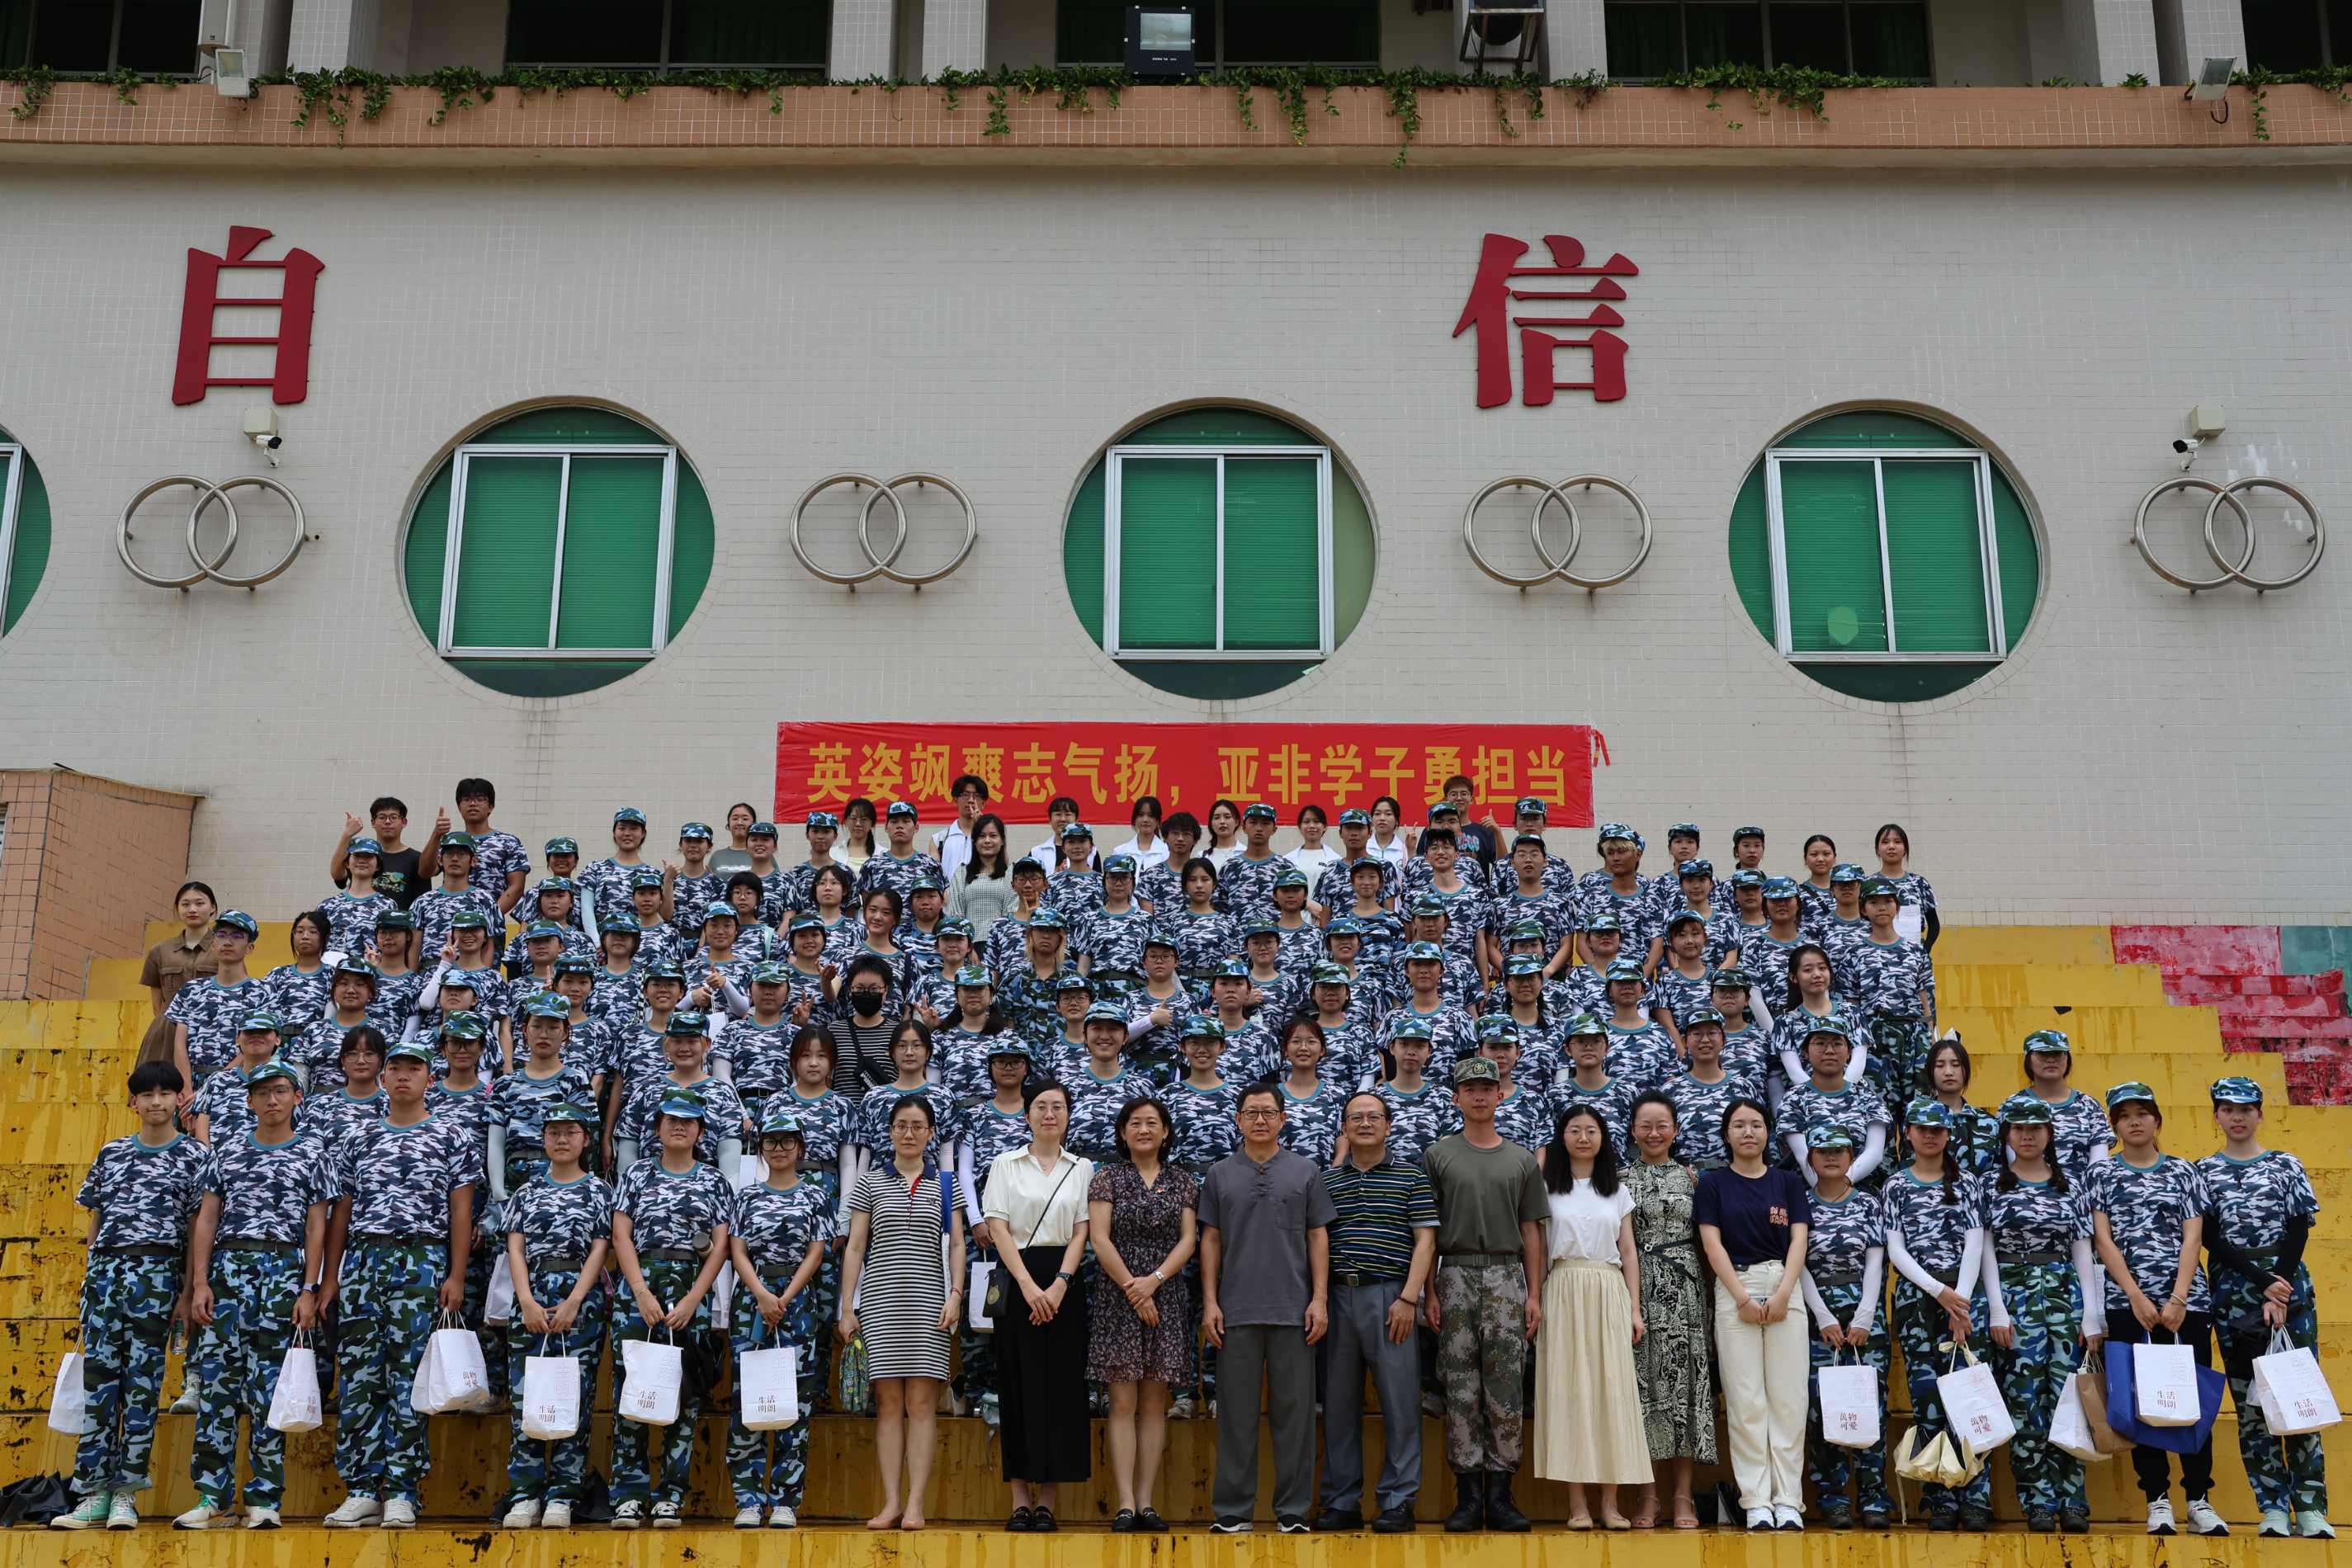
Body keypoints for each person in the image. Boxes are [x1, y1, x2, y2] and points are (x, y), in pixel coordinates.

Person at [321, 1039, 479, 1530]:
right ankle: (362, 1489)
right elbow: (341, 1214)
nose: (404, 1076)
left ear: (430, 1079)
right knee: (361, 1379)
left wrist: (456, 1275)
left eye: (415, 1068)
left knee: (410, 1379)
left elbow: (461, 1212)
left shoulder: (452, 1136)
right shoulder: (358, 1137)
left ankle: (402, 1491)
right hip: (364, 1261)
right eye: (397, 1068)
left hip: (421, 1261)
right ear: (384, 1078)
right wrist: (331, 1278)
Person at [167, 1062, 328, 1533]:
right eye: (262, 1093)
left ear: (297, 1097)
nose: (272, 1100)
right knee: (217, 1389)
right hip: (229, 1274)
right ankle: (210, 1496)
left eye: (281, 1091)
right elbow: (207, 1219)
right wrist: (201, 1282)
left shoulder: (313, 1153)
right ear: (249, 1101)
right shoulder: (228, 1151)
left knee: (269, 1391)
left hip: (283, 1274)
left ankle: (264, 1498)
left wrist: (309, 1288)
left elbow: (316, 1226)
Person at [50, 1061, 206, 1533]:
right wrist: (90, 1277)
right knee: (99, 1387)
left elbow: (196, 1229)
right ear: (133, 1102)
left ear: (179, 1100)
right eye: (147, 1094)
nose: (157, 1102)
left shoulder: (194, 1157)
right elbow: (96, 1218)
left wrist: (186, 1292)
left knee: (142, 1387)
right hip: (107, 1276)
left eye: (166, 1093)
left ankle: (125, 1494)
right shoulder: (113, 1152)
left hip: (158, 1277)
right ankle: (92, 1492)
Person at [2088, 1080, 2228, 1537]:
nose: (2134, 1122)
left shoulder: (2183, 1171)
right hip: (2127, 1304)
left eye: (2142, 1113)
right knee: (2142, 1400)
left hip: (2187, 1304)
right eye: (2124, 1115)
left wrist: (2178, 1298)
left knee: (2191, 1398)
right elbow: (2103, 1239)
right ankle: (2158, 1499)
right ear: (2115, 1125)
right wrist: (2134, 1295)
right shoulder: (2102, 1174)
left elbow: (2193, 1236)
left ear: (2157, 1120)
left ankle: (2200, 1499)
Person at [1198, 1081, 1335, 1534]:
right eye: (1251, 1113)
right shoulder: (1219, 1174)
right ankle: (1233, 1509)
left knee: (1294, 1417)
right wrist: (1211, 1302)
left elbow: (1318, 1236)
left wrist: (1319, 1298)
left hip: (1294, 1311)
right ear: (1238, 1120)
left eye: (1268, 1113)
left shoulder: (1306, 1171)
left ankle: (1293, 1509)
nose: (1260, 1120)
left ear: (1283, 1119)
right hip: (1235, 1311)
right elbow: (1210, 1240)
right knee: (1235, 1416)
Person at [2199, 1075, 2331, 1537]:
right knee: (2250, 1403)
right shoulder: (2204, 1171)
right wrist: (2263, 1284)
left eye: (2245, 1109)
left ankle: (2311, 1506)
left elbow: (2299, 1226)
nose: (2237, 1117)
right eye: (2228, 1109)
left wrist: (2281, 1286)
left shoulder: (2285, 1164)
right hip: (2234, 1291)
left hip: (2289, 1286)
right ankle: (2272, 1505)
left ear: (2259, 1114)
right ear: (2216, 1116)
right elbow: (2209, 1237)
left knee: (2297, 1393)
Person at [1420, 1056, 1548, 1533]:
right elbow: (1427, 1231)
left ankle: (1501, 1491)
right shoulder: (1438, 1156)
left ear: (1499, 1095)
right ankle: (1468, 1495)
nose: (1479, 1095)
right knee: (1459, 1385)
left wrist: (1534, 1294)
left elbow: (1531, 1230)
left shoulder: (1520, 1159)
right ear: (1456, 1097)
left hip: (1505, 1275)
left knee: (1506, 1385)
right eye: (1470, 1089)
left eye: (1486, 1088)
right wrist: (1430, 1291)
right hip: (1455, 1273)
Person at [1977, 1093, 2099, 1535]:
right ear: (2007, 1135)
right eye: (2019, 1129)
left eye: (2036, 1129)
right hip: (2014, 1296)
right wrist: (1996, 1308)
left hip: (2064, 1296)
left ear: (2049, 1134)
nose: (2027, 1136)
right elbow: (1985, 1251)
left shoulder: (2071, 1186)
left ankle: (2073, 1499)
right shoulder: (1990, 1184)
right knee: (2024, 1400)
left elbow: (2083, 1252)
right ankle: (2038, 1500)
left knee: (2069, 1399)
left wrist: (2092, 1315)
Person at [1314, 1089, 1436, 1533]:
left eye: (1373, 1117)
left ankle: (1399, 1501)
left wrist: (1409, 1298)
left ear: (1388, 1126)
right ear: (1344, 1128)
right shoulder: (1326, 1181)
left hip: (1391, 1299)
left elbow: (1426, 1241)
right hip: (1339, 1298)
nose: (1365, 1124)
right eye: (1356, 1118)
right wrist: (1321, 1299)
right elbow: (1318, 1242)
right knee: (1339, 1404)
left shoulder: (1411, 1176)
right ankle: (1341, 1501)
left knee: (1401, 1404)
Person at [839, 1094, 962, 1530]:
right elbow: (856, 1247)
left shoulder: (947, 1184)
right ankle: (891, 1502)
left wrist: (956, 1295)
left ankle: (915, 1505)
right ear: (890, 1131)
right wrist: (847, 1306)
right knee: (889, 1404)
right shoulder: (869, 1182)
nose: (909, 1134)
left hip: (930, 1305)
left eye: (917, 1126)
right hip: (879, 1305)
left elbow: (957, 1245)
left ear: (931, 1133)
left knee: (922, 1404)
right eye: (901, 1126)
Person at [608, 1095, 731, 1528]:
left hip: (690, 1285)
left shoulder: (714, 1180)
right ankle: (629, 1494)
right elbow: (620, 1235)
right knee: (632, 1389)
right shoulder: (638, 1173)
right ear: (658, 1129)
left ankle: (670, 1497)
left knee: (685, 1392)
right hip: (641, 1284)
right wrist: (641, 1292)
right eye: (671, 1120)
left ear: (701, 1132)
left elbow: (721, 1245)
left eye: (689, 1122)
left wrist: (696, 1298)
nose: (680, 1127)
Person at [1696, 1097, 1812, 1532]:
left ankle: (1788, 1500)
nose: (1748, 1132)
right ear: (1727, 1134)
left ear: (1768, 1132)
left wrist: (1783, 1293)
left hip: (1784, 1285)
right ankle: (1757, 1501)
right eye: (1739, 1125)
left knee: (1788, 1399)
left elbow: (1799, 1240)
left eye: (1757, 1125)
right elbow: (1712, 1244)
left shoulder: (1787, 1182)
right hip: (1735, 1289)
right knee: (1745, 1401)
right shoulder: (1712, 1184)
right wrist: (1742, 1297)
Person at [983, 1082, 1095, 1529]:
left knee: (1061, 1390)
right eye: (1041, 1107)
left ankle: (1048, 1498)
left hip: (1065, 1281)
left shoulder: (1082, 1167)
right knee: (1017, 1385)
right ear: (1027, 1114)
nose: (1050, 1114)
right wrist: (1029, 1287)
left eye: (1058, 1107)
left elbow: (1083, 1230)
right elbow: (997, 1227)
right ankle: (1019, 1498)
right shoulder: (1005, 1164)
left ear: (1068, 1115)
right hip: (1018, 1281)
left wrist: (1060, 1284)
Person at [1533, 1103, 1650, 1528]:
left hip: (1608, 1287)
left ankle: (1610, 1504)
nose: (1583, 1138)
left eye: (1592, 1130)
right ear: (1561, 1137)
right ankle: (1577, 1504)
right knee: (1568, 1393)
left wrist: (1634, 1308)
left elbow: (1629, 1251)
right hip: (1563, 1287)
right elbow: (1539, 1249)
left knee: (1611, 1393)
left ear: (1603, 1138)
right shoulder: (1546, 1187)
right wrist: (1535, 1296)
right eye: (1574, 1130)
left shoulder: (1616, 1190)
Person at [499, 1102, 612, 1531]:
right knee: (525, 1398)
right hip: (531, 1298)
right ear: (543, 1139)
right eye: (554, 1133)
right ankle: (525, 1494)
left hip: (579, 1302)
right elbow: (515, 1248)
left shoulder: (599, 1191)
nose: (562, 1140)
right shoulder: (526, 1192)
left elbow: (600, 1249)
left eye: (571, 1133)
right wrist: (526, 1300)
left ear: (585, 1140)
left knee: (573, 1397)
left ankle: (563, 1493)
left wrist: (574, 1302)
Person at [1883, 1098, 1993, 1528]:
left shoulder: (1967, 1183)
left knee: (1970, 1395)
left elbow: (1975, 1242)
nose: (1930, 1136)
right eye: (1921, 1129)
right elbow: (1896, 1250)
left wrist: (1959, 1301)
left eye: (1938, 1130)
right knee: (1927, 1397)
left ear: (1949, 1135)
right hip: (1917, 1300)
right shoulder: (1896, 1185)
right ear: (1908, 1134)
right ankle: (1940, 1495)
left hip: (1963, 1299)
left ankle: (1975, 1497)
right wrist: (1939, 1293)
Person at [724, 1107, 834, 1529]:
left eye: (788, 1140)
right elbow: (737, 1251)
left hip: (797, 1304)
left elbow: (817, 1252)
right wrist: (762, 1295)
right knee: (747, 1398)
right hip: (753, 1302)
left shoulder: (815, 1195)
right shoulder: (747, 1196)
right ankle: (748, 1500)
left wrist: (784, 1298)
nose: (779, 1148)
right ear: (761, 1148)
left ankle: (786, 1500)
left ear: (800, 1147)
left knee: (796, 1401)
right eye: (771, 1141)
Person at [1623, 1090, 1715, 1528]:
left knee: (1687, 1391)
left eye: (1662, 1125)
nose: (1654, 1133)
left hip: (1686, 1291)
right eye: (1646, 1125)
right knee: (1644, 1391)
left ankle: (1682, 1496)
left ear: (1676, 1130)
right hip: (1637, 1288)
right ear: (1633, 1131)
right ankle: (1648, 1495)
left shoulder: (1695, 1179)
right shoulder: (1618, 1180)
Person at [1796, 1126, 1892, 1529]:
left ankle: (1873, 1499)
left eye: (1840, 1150)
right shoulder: (1800, 1203)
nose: (1832, 1157)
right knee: (1823, 1409)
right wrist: (1823, 1316)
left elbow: (1876, 1261)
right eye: (1823, 1151)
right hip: (1817, 1316)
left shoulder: (1869, 1203)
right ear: (1811, 1159)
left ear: (1852, 1158)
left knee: (1871, 1406)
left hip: (1864, 1315)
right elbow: (1797, 1263)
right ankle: (1833, 1499)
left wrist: (1865, 1315)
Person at [166, 909, 266, 1094]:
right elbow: (180, 1043)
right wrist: (186, 1088)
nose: (228, 942)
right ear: (213, 944)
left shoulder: (263, 992)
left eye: (237, 936)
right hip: (191, 1087)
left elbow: (258, 1046)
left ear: (249, 948)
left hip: (239, 1085)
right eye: (221, 935)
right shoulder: (191, 990)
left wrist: (213, 1086)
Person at [2019, 1030, 2113, 1181]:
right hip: (2030, 1190)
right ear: (2028, 1059)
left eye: (2058, 1054)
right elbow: (2011, 1158)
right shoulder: (2015, 1105)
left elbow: (2099, 1162)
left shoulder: (2089, 1105)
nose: (2051, 1060)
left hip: (2082, 1191)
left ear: (2067, 1058)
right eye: (2042, 1054)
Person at [333, 799, 428, 909]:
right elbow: (338, 876)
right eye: (382, 817)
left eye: (393, 817)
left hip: (397, 919)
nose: (387, 822)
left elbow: (421, 902)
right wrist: (347, 834)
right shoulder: (361, 855)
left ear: (404, 822)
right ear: (373, 822)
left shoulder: (416, 859)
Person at [947, 813, 1016, 934]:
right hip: (968, 942)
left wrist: (998, 941)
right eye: (982, 836)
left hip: (1001, 942)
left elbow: (1011, 913)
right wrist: (966, 942)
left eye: (993, 836)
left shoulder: (1011, 873)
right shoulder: (962, 873)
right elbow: (955, 914)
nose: (987, 841)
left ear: (1002, 841)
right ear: (974, 841)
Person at [933, 774, 989, 884]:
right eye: (965, 795)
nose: (971, 800)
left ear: (983, 803)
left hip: (981, 893)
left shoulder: (992, 837)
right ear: (955, 800)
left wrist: (983, 827)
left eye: (976, 796)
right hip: (949, 894)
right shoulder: (939, 839)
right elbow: (934, 876)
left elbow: (1002, 864)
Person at [712, 802, 760, 873]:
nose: (739, 822)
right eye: (735, 819)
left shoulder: (764, 854)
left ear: (754, 825)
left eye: (745, 819)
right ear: (728, 825)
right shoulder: (717, 856)